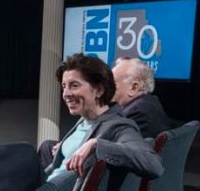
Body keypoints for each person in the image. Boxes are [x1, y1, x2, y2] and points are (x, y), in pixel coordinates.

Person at [45, 53, 163, 183]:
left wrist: (97, 144)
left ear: (99, 90)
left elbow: (154, 164)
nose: (66, 93)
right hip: (46, 187)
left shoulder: (118, 126)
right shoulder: (86, 118)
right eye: (64, 86)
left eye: (74, 85)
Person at [111, 57, 173, 138]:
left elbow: (114, 147)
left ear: (134, 87)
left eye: (112, 83)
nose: (106, 88)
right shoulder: (149, 102)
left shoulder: (137, 113)